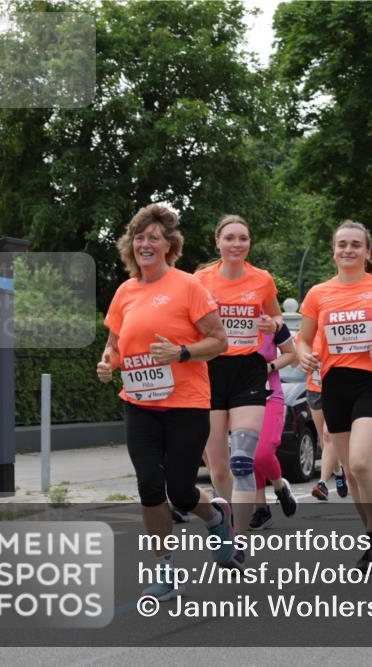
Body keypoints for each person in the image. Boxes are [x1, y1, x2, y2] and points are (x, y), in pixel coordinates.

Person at [97, 204, 232, 600]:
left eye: (154, 237)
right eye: (139, 237)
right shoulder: (125, 291)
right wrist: (108, 362)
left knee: (182, 491)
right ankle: (164, 569)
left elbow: (219, 341)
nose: (145, 243)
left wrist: (182, 354)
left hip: (186, 404)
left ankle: (215, 515)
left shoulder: (188, 286)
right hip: (139, 404)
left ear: (170, 245)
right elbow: (114, 344)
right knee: (149, 486)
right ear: (130, 246)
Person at [297, 220, 372, 569]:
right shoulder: (318, 293)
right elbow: (303, 339)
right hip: (334, 386)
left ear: (367, 251)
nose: (348, 249)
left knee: (361, 462)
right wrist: (303, 354)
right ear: (333, 250)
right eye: (342, 244)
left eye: (355, 244)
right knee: (350, 473)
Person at [194, 215, 289, 543]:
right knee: (219, 467)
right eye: (230, 238)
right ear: (217, 242)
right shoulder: (201, 280)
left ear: (249, 243)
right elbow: (187, 320)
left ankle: (239, 537)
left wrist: (273, 325)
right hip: (210, 371)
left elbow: (276, 316)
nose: (237, 244)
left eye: (243, 239)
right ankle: (227, 522)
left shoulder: (262, 280)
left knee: (242, 460)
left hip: (249, 369)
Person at [249, 319, 299, 530]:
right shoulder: (226, 317)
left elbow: (292, 354)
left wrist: (268, 366)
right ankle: (261, 509)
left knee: (262, 452)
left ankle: (280, 486)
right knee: (247, 453)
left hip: (271, 395)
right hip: (241, 397)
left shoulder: (270, 321)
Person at [306, 328, 349, 502]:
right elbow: (296, 359)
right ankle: (338, 472)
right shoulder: (305, 333)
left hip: (335, 388)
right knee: (325, 441)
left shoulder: (334, 328)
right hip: (314, 389)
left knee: (328, 435)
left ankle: (322, 484)